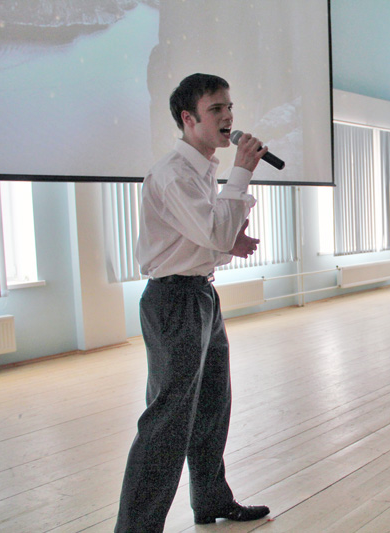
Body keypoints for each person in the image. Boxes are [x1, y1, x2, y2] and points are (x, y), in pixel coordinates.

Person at [115, 73, 270, 532]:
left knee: (212, 406)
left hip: (200, 292)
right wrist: (242, 172)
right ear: (188, 118)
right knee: (166, 422)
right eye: (216, 109)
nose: (228, 117)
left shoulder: (201, 170)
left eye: (229, 107)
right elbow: (213, 230)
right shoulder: (174, 174)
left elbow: (205, 238)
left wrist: (226, 247)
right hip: (174, 300)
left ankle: (211, 499)